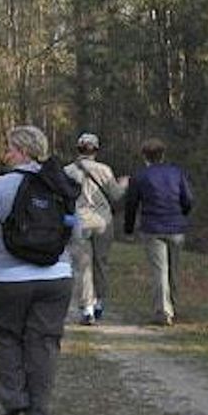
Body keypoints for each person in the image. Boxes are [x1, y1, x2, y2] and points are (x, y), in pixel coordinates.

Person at [0, 125, 78, 415]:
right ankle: (39, 410)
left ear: (24, 151)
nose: (6, 154)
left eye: (10, 148)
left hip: (10, 278)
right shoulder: (61, 184)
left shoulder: (0, 187)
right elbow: (74, 230)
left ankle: (13, 400)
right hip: (56, 275)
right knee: (43, 342)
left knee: (8, 336)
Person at [123, 138, 193, 326]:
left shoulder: (140, 176)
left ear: (144, 156)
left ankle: (163, 311)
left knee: (159, 270)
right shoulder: (176, 173)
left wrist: (128, 229)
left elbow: (131, 204)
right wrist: (182, 215)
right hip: (176, 227)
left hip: (152, 227)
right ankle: (174, 307)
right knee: (174, 270)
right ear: (163, 154)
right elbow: (188, 199)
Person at [64, 133, 127, 324]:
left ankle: (87, 308)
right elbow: (115, 195)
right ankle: (100, 303)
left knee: (83, 266)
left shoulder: (67, 171)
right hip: (103, 221)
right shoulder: (104, 170)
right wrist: (123, 184)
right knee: (101, 263)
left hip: (79, 221)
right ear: (96, 150)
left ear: (78, 149)